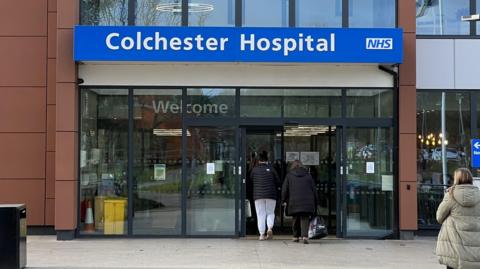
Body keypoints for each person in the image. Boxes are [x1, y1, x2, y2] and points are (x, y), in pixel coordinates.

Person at [436, 168, 480, 269]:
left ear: (457, 179)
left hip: (454, 245)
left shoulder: (451, 195)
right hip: (476, 246)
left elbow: (439, 217)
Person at [282, 160, 318, 244]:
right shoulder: (308, 175)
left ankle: (295, 236)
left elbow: (285, 189)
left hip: (294, 201)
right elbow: (314, 189)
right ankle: (305, 236)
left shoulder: (289, 175)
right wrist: (317, 200)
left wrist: (283, 199)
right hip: (307, 201)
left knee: (295, 218)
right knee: (304, 217)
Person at [250, 151, 279, 240]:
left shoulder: (254, 170)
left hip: (258, 195)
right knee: (270, 212)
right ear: (267, 159)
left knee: (260, 214)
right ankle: (269, 228)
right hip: (271, 194)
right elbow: (278, 181)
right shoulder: (272, 169)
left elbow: (251, 180)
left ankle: (261, 235)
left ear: (258, 160)